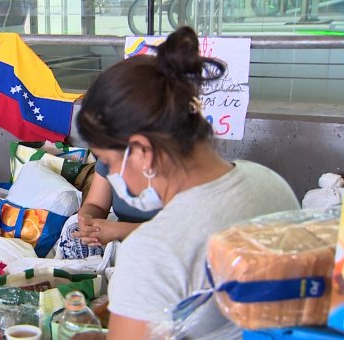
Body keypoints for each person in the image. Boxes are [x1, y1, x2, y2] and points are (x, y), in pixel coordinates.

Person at [76, 27, 300, 339]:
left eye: (111, 162)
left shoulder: (152, 251)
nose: (112, 174)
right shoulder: (272, 184)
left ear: (142, 151)